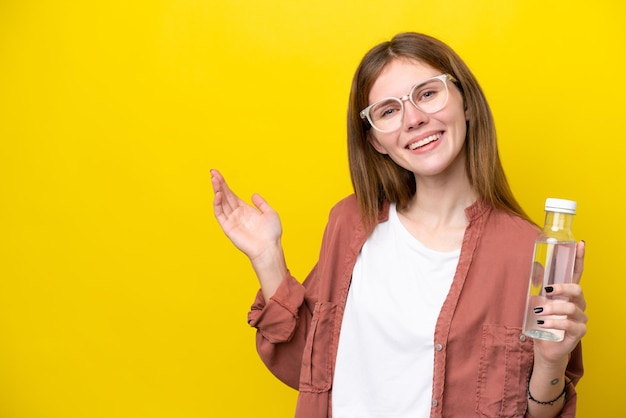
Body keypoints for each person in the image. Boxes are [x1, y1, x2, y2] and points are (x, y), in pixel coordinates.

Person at [210, 32, 587, 418]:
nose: (414, 119)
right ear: (375, 141)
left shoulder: (528, 251)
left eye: (427, 94)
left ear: (467, 102)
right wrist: (267, 257)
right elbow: (308, 369)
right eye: (388, 111)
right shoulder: (349, 222)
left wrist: (552, 362)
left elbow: (539, 412)